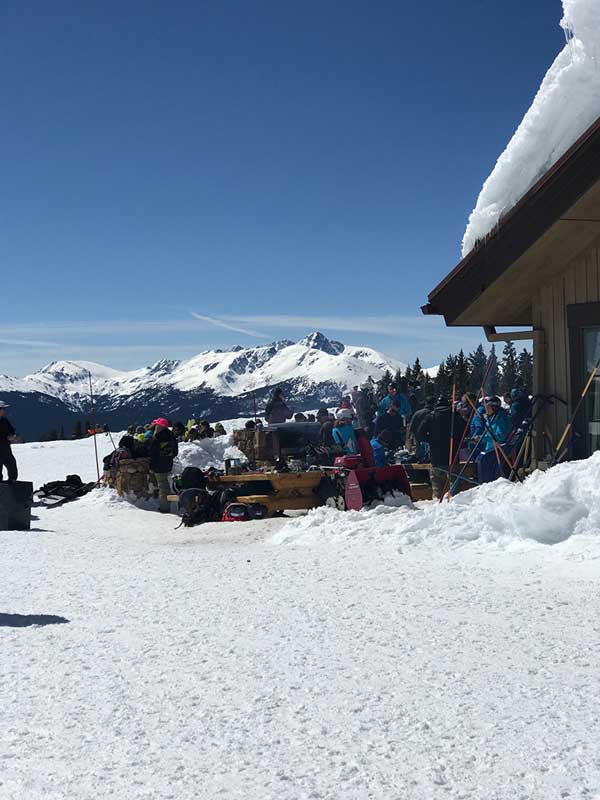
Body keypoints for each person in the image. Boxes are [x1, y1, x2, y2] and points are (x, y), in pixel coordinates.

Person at [419, 396, 466, 499]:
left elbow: (420, 433)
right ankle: (456, 505)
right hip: (452, 455)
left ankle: (438, 506)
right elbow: (466, 430)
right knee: (454, 487)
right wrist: (457, 439)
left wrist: (430, 440)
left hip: (436, 457)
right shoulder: (454, 417)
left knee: (437, 487)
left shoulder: (431, 416)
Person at [149, 418, 178, 513]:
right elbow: (175, 451)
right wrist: (169, 457)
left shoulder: (156, 437)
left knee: (163, 486)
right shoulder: (171, 435)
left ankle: (164, 508)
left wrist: (152, 466)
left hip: (159, 465)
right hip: (168, 463)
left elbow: (153, 454)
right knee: (165, 485)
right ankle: (169, 503)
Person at [406, 395, 435, 460]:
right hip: (433, 442)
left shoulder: (417, 413)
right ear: (434, 403)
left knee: (419, 458)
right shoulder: (436, 413)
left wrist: (410, 441)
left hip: (419, 441)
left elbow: (411, 428)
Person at [0, 401, 18, 482]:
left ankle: (12, 482)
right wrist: (6, 438)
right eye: (3, 409)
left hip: (6, 449)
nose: (4, 411)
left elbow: (11, 430)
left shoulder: (5, 420)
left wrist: (12, 436)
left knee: (12, 465)